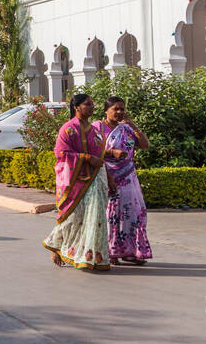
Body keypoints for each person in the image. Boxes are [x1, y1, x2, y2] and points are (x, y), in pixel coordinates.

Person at [43, 93, 110, 271]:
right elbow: (61, 154)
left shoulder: (94, 131)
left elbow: (101, 157)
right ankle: (56, 245)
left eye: (92, 104)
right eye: (88, 104)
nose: (92, 107)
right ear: (76, 107)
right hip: (75, 181)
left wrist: (109, 178)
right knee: (74, 217)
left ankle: (91, 256)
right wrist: (87, 157)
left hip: (96, 179)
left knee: (95, 218)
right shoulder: (68, 129)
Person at [100, 96, 153, 265]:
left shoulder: (127, 129)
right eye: (115, 109)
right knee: (112, 215)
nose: (119, 112)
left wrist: (132, 125)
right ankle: (112, 252)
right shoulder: (97, 128)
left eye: (122, 109)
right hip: (108, 175)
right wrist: (111, 152)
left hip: (129, 177)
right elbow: (91, 151)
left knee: (133, 213)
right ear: (106, 110)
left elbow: (144, 145)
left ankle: (131, 251)